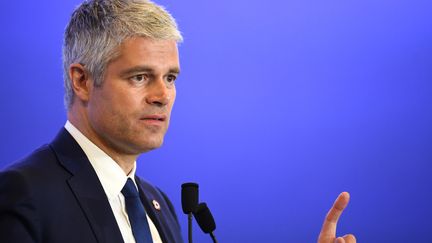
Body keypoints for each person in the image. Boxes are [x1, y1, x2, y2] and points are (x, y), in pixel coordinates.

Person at [0, 0, 355, 242]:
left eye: (170, 78)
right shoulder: (22, 195)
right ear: (82, 80)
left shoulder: (159, 204)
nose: (162, 95)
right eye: (140, 77)